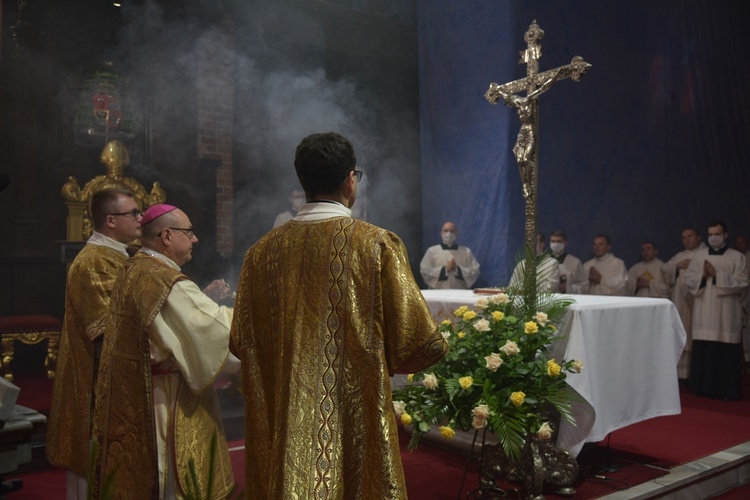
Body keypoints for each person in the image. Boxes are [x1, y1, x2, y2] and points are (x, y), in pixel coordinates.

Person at [229, 132, 449, 498]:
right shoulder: (376, 244)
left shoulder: (260, 254)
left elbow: (241, 342)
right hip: (352, 416)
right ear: (351, 180)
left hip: (285, 417)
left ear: (303, 181)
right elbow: (418, 342)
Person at [90, 203, 238, 499]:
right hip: (166, 399)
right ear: (167, 235)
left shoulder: (135, 268)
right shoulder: (162, 279)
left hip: (138, 393)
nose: (195, 239)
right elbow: (215, 331)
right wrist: (255, 312)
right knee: (170, 481)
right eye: (189, 232)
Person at [46, 188, 142, 499]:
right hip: (97, 388)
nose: (142, 220)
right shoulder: (95, 262)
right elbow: (112, 327)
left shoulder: (117, 256)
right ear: (111, 221)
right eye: (134, 213)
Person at [684, 221, 748, 400]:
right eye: (710, 234)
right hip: (704, 309)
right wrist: (702, 276)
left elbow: (742, 282)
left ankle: (727, 390)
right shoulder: (699, 256)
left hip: (726, 312)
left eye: (717, 234)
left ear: (725, 235)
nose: (713, 238)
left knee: (725, 350)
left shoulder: (737, 257)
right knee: (704, 348)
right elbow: (689, 280)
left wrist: (717, 275)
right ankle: (701, 387)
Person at [664, 227, 707, 378]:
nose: (687, 239)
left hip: (698, 301)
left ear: (699, 237)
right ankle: (681, 374)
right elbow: (665, 271)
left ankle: (696, 373)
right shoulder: (679, 256)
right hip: (680, 300)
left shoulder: (705, 254)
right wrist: (676, 267)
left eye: (690, 236)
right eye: (684, 237)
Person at [420, 221, 481, 289]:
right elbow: (424, 271)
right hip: (437, 293)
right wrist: (444, 270)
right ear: (441, 233)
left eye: (452, 231)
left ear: (456, 233)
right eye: (446, 231)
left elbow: (475, 271)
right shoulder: (432, 251)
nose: (449, 233)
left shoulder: (466, 251)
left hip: (459, 293)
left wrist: (457, 270)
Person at [548, 230, 586, 294]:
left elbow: (585, 287)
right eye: (553, 241)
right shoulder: (544, 262)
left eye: (559, 241)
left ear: (565, 243)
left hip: (569, 299)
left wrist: (568, 288)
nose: (556, 244)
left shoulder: (575, 262)